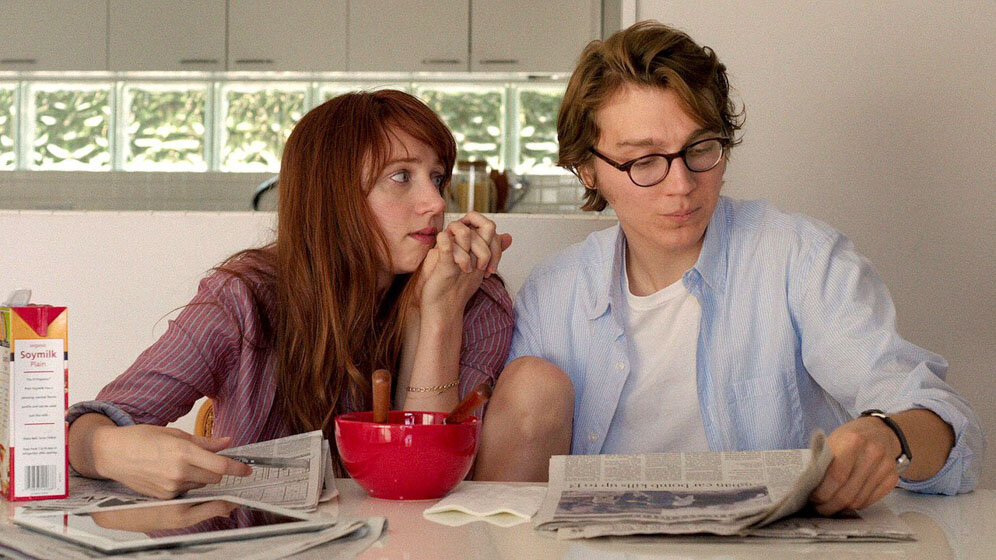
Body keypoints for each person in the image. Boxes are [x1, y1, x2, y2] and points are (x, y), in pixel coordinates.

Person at [507, 21, 984, 514]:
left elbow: (953, 430)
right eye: (644, 160)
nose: (681, 185)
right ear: (587, 168)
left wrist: (888, 435)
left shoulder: (801, 260)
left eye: (700, 149)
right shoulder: (552, 295)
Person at [66, 89, 559, 498]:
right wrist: (107, 450)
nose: (434, 202)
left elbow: (418, 483)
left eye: (436, 178)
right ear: (333, 193)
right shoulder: (243, 299)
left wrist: (438, 316)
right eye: (401, 176)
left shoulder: (475, 301)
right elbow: (83, 430)